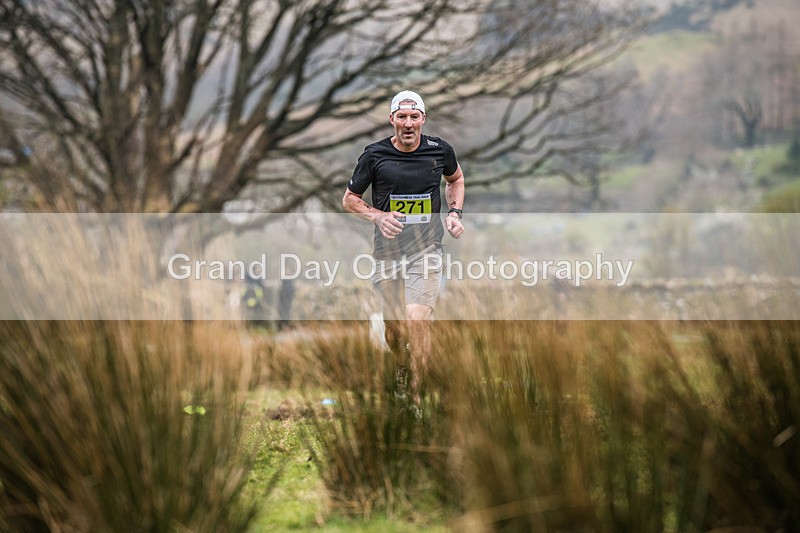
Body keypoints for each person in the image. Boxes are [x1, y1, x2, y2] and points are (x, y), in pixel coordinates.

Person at [342, 90, 465, 413]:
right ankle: (400, 366)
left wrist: (454, 213)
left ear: (423, 119)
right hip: (388, 253)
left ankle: (415, 398)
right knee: (395, 328)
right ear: (392, 120)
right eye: (402, 117)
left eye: (414, 117)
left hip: (427, 250)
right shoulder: (374, 155)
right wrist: (379, 216)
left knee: (417, 320)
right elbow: (350, 199)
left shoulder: (440, 151)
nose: (408, 124)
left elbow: (456, 180)